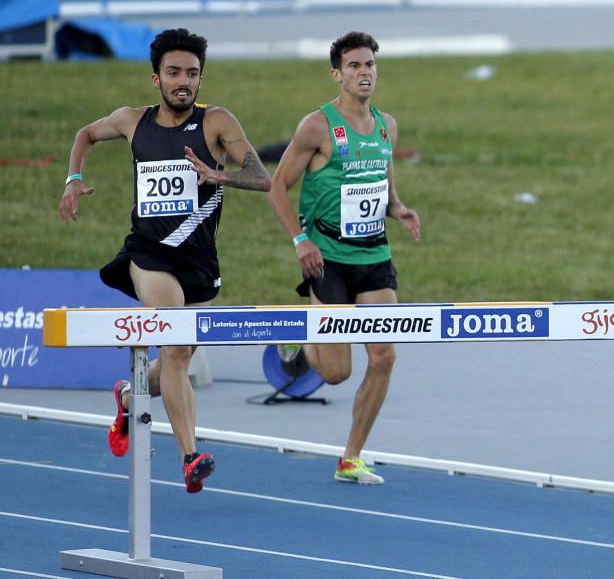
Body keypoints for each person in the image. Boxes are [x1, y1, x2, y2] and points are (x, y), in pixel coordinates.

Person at [59, 28, 272, 493]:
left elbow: (263, 178)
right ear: (155, 77)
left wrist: (220, 175)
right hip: (149, 255)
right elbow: (85, 133)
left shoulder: (216, 122)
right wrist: (74, 178)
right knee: (176, 345)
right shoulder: (133, 121)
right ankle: (190, 456)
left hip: (198, 261)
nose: (184, 82)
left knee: (179, 356)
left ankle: (128, 394)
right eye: (174, 72)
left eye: (192, 74)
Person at [267, 31, 421, 485]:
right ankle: (302, 339)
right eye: (354, 66)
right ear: (337, 74)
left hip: (373, 255)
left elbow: (382, 178)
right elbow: (277, 188)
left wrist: (398, 208)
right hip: (327, 257)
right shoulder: (317, 126)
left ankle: (351, 457)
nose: (364, 72)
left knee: (384, 356)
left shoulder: (386, 125)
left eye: (370, 64)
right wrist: (301, 241)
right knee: (336, 373)